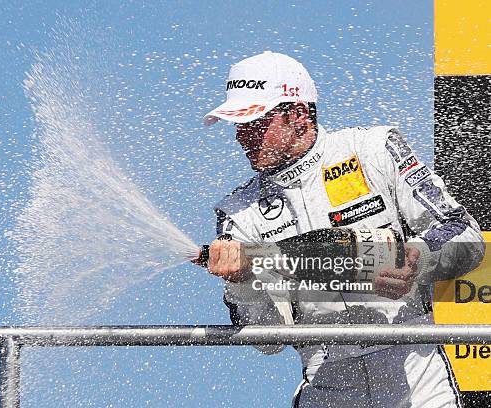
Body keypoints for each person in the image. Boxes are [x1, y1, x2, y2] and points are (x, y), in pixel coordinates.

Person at [200, 51, 485, 408]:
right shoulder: (238, 212)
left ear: (299, 114)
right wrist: (242, 283)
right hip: (326, 381)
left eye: (254, 122)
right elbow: (268, 340)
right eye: (237, 125)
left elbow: (464, 233)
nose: (242, 137)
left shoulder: (374, 150)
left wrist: (417, 260)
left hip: (417, 371)